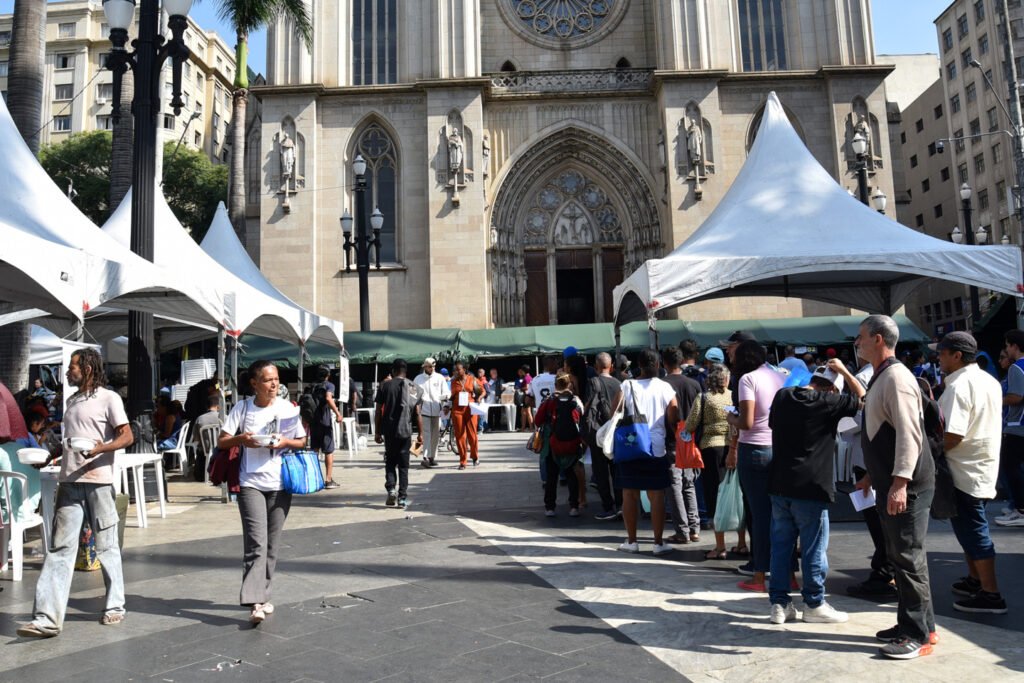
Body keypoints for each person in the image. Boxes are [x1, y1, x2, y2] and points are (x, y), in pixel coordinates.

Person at [18, 349, 134, 638]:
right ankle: (46, 618)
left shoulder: (109, 398)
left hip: (99, 482)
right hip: (69, 481)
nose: (68, 372)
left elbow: (127, 436)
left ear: (88, 369)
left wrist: (100, 448)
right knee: (59, 549)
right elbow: (69, 442)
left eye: (72, 367)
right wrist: (49, 455)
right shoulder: (71, 401)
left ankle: (115, 605)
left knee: (106, 546)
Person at [854, 315, 936, 659]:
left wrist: (900, 483)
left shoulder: (896, 377)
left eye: (861, 336)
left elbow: (909, 433)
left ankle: (916, 634)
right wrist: (873, 476)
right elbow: (882, 429)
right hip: (893, 480)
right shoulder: (884, 375)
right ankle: (917, 625)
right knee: (904, 556)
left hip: (908, 484)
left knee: (907, 557)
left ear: (878, 339)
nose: (856, 342)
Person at [767, 360, 863, 625]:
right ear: (832, 388)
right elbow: (864, 400)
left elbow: (774, 425)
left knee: (781, 547)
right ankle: (814, 603)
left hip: (780, 482)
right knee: (813, 548)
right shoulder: (829, 402)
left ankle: (779, 603)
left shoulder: (783, 396)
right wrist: (846, 372)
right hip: (812, 485)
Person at [218, 360, 307, 625]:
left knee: (272, 544)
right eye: (268, 380)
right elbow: (222, 441)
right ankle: (254, 602)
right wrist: (242, 440)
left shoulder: (287, 408)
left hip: (281, 483)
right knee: (256, 543)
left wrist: (285, 441)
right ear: (254, 383)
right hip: (250, 483)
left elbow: (301, 440)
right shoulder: (242, 408)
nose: (274, 384)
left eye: (276, 379)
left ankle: (265, 595)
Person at [930, 332, 1007, 614]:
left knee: (974, 531)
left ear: (957, 355)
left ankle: (991, 593)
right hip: (980, 466)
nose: (938, 358)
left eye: (942, 353)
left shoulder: (959, 386)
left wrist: (930, 453)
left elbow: (952, 434)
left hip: (964, 470)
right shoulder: (988, 380)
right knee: (968, 529)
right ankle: (976, 580)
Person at [726, 339, 784, 592]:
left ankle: (759, 573)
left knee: (759, 515)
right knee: (781, 514)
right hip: (778, 448)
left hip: (754, 449)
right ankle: (785, 571)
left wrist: (731, 418)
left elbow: (747, 422)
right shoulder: (780, 376)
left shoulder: (747, 380)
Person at [614, 348, 678, 556]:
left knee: (629, 493)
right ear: (658, 364)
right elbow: (673, 416)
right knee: (657, 495)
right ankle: (658, 543)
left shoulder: (627, 385)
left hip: (631, 445)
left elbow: (615, 412)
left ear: (638, 365)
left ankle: (632, 541)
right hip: (656, 447)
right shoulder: (665, 387)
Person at [686, 363, 746, 559]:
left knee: (715, 496)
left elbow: (691, 424)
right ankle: (742, 543)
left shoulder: (704, 398)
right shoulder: (734, 397)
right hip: (733, 447)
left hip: (711, 449)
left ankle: (720, 547)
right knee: (736, 494)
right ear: (727, 380)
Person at [662, 346, 702, 544]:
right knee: (689, 484)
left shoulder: (662, 385)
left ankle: (682, 531)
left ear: (664, 363)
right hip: (691, 439)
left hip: (671, 439)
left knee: (674, 485)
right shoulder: (694, 384)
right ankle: (694, 528)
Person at [535, 374, 586, 517]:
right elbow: (582, 418)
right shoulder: (576, 400)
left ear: (555, 385)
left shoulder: (549, 400)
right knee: (571, 475)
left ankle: (550, 508)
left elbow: (537, 420)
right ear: (569, 385)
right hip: (572, 443)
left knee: (552, 476)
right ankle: (574, 507)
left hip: (552, 443)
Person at [375, 359, 423, 508]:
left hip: (389, 431)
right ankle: (402, 498)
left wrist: (377, 432)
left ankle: (391, 489)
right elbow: (417, 413)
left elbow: (378, 411)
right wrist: (421, 434)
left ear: (393, 370)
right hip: (405, 431)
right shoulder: (414, 387)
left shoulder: (384, 386)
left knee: (390, 461)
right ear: (405, 371)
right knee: (403, 465)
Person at [587, 352, 623, 521]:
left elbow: (587, 406)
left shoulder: (593, 382)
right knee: (616, 470)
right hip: (615, 431)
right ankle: (621, 505)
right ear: (612, 366)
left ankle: (608, 507)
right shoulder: (619, 383)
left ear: (596, 366)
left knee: (601, 472)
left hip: (598, 433)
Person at [995, 329, 1024, 527]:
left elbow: (1016, 396)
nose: (1007, 349)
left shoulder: (1017, 368)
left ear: (1014, 346)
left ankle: (1020, 509)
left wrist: (995, 401)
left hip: (1016, 426)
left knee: (1011, 468)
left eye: (1007, 346)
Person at [309, 367, 343, 489]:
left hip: (313, 421)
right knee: (328, 450)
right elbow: (329, 398)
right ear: (328, 375)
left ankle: (314, 478)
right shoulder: (329, 385)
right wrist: (338, 413)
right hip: (324, 421)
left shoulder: (311, 386)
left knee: (314, 450)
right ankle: (328, 480)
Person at [413, 357, 451, 468]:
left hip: (437, 410)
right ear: (425, 367)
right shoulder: (418, 379)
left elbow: (446, 392)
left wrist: (445, 401)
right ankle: (425, 457)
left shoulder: (440, 377)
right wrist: (417, 405)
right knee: (426, 434)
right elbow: (412, 394)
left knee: (435, 435)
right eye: (430, 366)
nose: (432, 368)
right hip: (423, 411)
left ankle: (432, 457)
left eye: (433, 366)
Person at [450, 361, 484, 469]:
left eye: (458, 369)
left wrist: (479, 398)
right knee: (460, 435)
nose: (456, 371)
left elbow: (483, 391)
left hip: (470, 409)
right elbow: (451, 396)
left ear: (464, 369)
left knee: (472, 435)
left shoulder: (472, 379)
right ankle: (463, 461)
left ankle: (474, 456)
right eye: (455, 370)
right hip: (457, 410)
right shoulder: (453, 381)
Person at [515, 365, 533, 431]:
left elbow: (527, 387)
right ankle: (524, 427)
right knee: (524, 412)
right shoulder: (529, 377)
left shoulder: (527, 378)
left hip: (527, 396)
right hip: (527, 396)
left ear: (523, 371)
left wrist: (520, 388)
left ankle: (530, 428)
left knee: (527, 412)